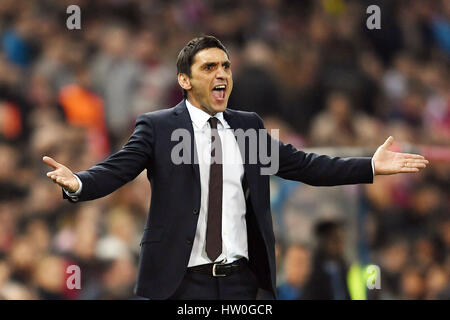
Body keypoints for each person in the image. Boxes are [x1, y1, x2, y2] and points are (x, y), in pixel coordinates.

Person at [43, 35, 429, 300]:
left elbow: (304, 165)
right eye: (209, 67)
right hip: (178, 282)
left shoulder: (248, 127)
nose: (222, 74)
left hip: (242, 282)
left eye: (226, 66)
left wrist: (370, 166)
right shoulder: (158, 126)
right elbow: (119, 168)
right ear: (184, 80)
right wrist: (78, 182)